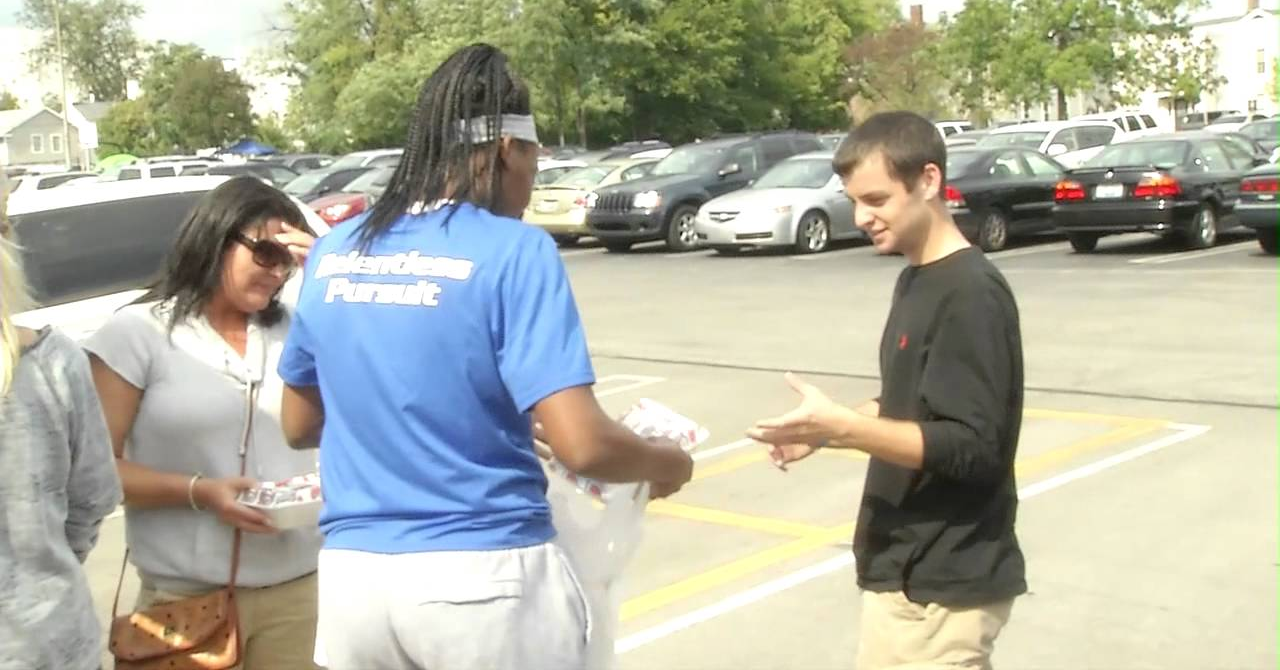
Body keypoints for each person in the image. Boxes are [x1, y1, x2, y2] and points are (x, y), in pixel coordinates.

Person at [277, 43, 694, 670]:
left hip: (353, 583)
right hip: (482, 581)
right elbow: (583, 445)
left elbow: (299, 423)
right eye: (533, 158)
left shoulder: (336, 251)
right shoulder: (514, 250)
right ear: (505, 149)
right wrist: (667, 462)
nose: (532, 180)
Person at [749, 111, 1026, 669]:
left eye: (876, 199)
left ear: (928, 180)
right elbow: (912, 403)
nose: (862, 217)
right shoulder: (918, 277)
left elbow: (974, 448)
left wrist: (847, 428)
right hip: (909, 575)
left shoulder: (971, 295)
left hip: (939, 585)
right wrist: (822, 434)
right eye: (854, 201)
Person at [85, 177, 322, 670]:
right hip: (184, 601)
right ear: (217, 238)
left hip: (298, 595)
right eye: (264, 253)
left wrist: (327, 273)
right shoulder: (138, 333)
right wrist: (200, 491)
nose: (277, 272)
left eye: (287, 259)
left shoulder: (302, 329)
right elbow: (95, 472)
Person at [0, 173, 123, 670]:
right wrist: (47, 569)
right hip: (50, 640)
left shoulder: (53, 360)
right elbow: (92, 497)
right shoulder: (53, 361)